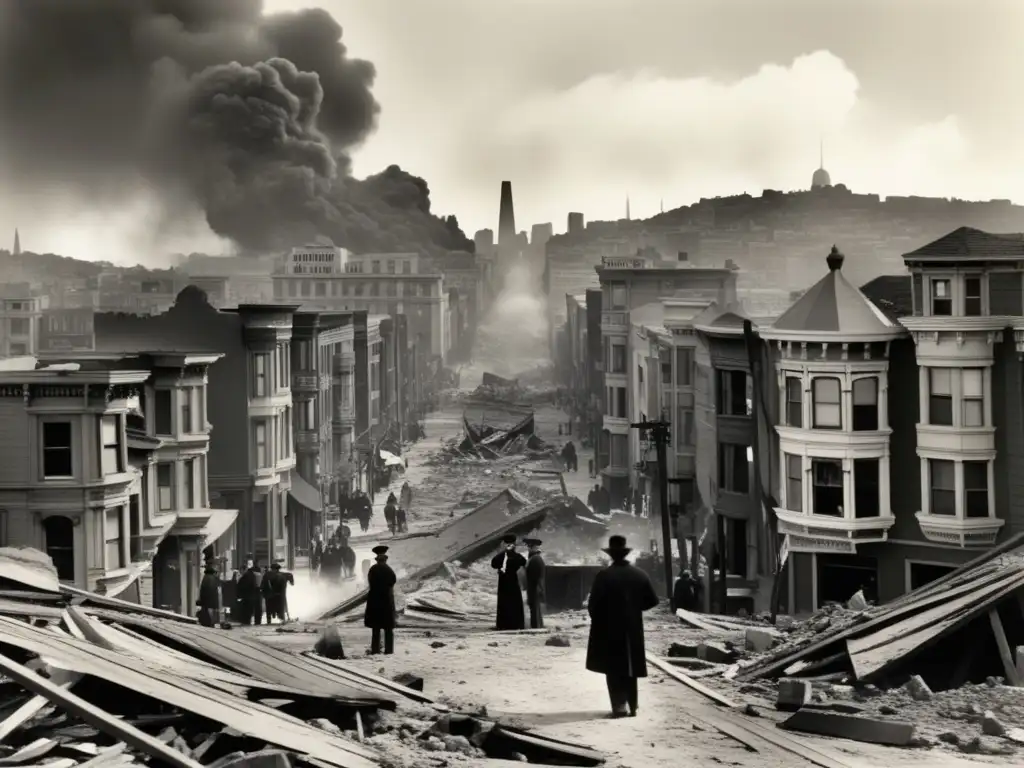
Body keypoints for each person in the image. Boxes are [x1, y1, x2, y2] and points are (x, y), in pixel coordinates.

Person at [585, 536, 659, 718]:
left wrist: (601, 620)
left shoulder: (604, 576)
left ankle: (618, 707)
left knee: (613, 669)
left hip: (610, 629)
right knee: (630, 668)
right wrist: (634, 608)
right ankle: (633, 706)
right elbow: (652, 601)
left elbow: (593, 605)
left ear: (611, 555)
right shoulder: (640, 575)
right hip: (633, 628)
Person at [365, 545, 397, 654]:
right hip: (387, 602)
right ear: (385, 559)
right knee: (388, 629)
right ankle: (389, 650)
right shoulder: (389, 570)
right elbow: (393, 581)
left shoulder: (373, 569)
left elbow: (370, 583)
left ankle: (375, 650)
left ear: (377, 559)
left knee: (376, 629)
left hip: (375, 602)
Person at [490, 534, 526, 631]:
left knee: (504, 603)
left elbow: (493, 564)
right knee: (515, 602)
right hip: (513, 581)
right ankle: (516, 624)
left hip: (503, 582)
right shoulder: (518, 556)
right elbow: (524, 562)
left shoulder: (501, 556)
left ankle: (503, 625)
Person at [235, 556, 264, 626]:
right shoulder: (251, 575)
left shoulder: (246, 577)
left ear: (244, 569)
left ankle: (247, 623)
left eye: (240, 570)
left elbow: (242, 587)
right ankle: (257, 623)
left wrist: (239, 595)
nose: (240, 572)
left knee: (248, 612)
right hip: (256, 596)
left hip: (249, 597)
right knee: (256, 611)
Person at [524, 538, 546, 629]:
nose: (528, 549)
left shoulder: (535, 559)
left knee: (535, 607)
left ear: (534, 547)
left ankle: (536, 626)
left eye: (529, 547)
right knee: (535, 608)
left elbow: (536, 576)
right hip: (535, 587)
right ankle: (537, 625)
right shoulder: (536, 558)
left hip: (535, 587)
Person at [196, 563, 221, 627]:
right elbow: (212, 588)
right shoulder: (212, 577)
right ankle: (211, 623)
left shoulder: (206, 576)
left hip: (206, 599)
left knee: (207, 611)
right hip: (210, 599)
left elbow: (203, 589)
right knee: (210, 610)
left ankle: (209, 622)